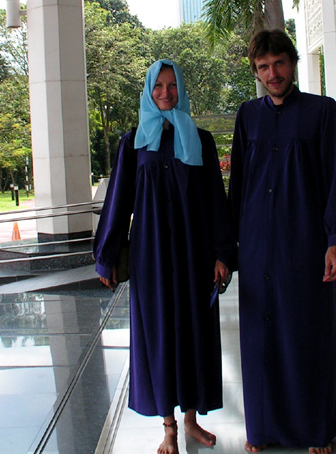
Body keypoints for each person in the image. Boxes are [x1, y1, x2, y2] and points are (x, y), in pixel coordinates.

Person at [93, 59, 236, 454]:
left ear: (182, 89)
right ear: (148, 90)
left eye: (173, 85)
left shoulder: (200, 139)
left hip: (195, 253)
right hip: (151, 255)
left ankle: (191, 421)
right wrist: (106, 256)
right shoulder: (133, 141)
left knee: (194, 332)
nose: (166, 93)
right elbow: (118, 200)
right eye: (159, 86)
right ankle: (169, 425)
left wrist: (222, 252)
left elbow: (214, 200)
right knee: (158, 335)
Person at [229, 30, 336, 454]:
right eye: (263, 67)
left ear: (293, 63)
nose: (272, 74)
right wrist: (230, 249)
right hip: (258, 242)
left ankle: (315, 430)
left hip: (305, 241)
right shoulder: (248, 115)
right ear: (256, 71)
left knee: (306, 333)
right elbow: (239, 183)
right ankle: (261, 429)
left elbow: (335, 179)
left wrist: (333, 239)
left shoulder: (321, 111)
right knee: (260, 338)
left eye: (278, 63)